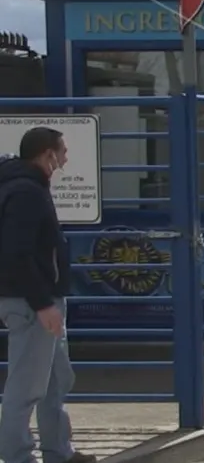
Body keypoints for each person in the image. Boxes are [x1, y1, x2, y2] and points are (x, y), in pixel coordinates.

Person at [0, 128, 96, 463]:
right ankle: (17, 457)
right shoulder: (26, 192)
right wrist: (42, 303)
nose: (66, 158)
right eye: (63, 151)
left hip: (43, 300)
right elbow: (16, 253)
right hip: (33, 304)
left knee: (56, 380)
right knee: (26, 389)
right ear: (47, 154)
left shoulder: (28, 186)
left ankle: (59, 452)